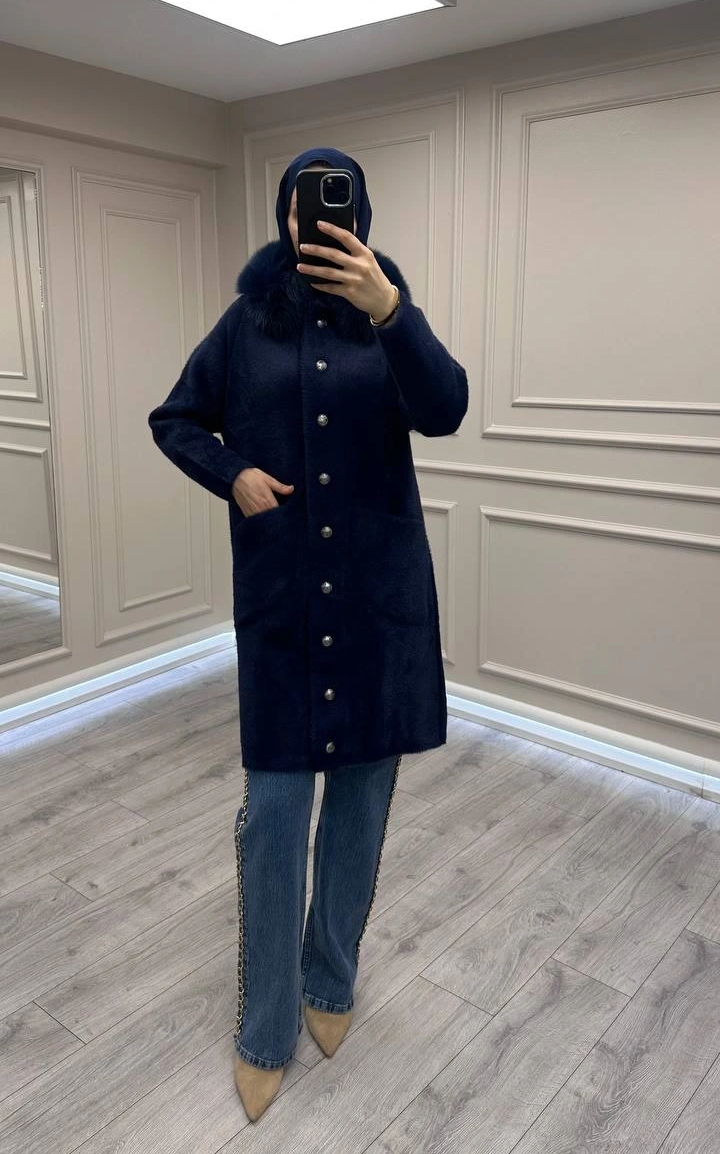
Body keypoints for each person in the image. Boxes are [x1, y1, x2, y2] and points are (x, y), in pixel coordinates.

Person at [147, 146, 469, 1121]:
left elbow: (446, 409)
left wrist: (393, 311)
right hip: (285, 609)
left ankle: (331, 977)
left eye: (333, 207)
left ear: (358, 217)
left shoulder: (388, 316)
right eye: (300, 209)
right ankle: (266, 1024)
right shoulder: (246, 326)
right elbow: (176, 419)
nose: (313, 223)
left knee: (360, 811)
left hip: (378, 612)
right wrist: (233, 473)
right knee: (275, 818)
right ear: (283, 219)